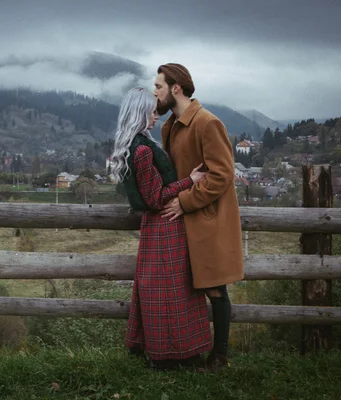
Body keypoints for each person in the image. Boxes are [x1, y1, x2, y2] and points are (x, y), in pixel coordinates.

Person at [110, 87, 212, 370]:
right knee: (173, 292)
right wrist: (190, 180)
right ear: (141, 113)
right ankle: (174, 356)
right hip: (164, 225)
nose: (156, 117)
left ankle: (164, 352)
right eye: (152, 112)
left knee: (160, 290)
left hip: (156, 228)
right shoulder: (142, 149)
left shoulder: (136, 143)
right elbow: (155, 198)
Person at [154, 63, 245, 371]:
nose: (155, 93)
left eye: (159, 86)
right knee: (182, 288)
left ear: (175, 88)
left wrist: (185, 202)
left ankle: (219, 358)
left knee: (214, 287)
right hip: (182, 220)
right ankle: (186, 353)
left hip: (207, 218)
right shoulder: (169, 126)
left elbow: (222, 175)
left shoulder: (207, 123)